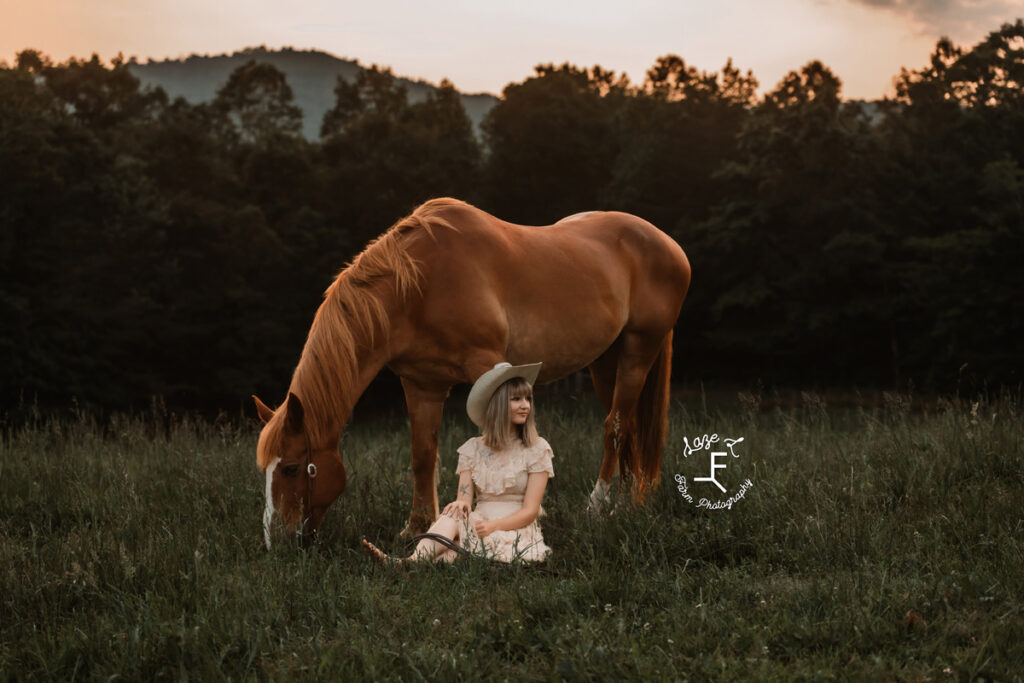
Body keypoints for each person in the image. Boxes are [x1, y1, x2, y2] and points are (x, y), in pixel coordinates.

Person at [362, 361, 554, 564]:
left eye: (528, 398)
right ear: (498, 404)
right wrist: (460, 503)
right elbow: (464, 498)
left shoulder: (536, 448)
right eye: (516, 399)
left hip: (514, 528)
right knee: (453, 515)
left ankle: (406, 564)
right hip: (479, 523)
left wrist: (494, 526)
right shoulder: (473, 448)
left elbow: (530, 511)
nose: (525, 405)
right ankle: (410, 562)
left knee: (453, 554)